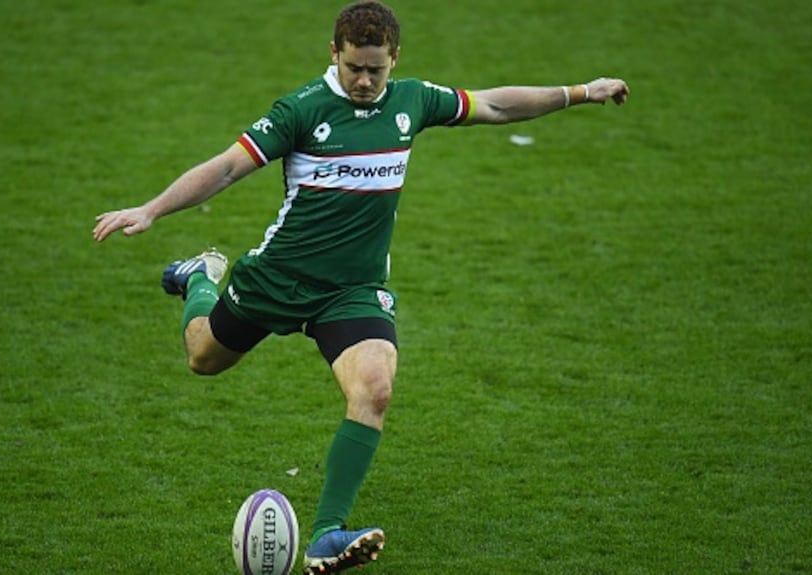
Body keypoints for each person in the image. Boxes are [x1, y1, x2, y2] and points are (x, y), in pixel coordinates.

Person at [94, 1, 629, 572]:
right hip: (278, 278)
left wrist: (580, 91)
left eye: (377, 68)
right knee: (203, 359)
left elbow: (495, 104)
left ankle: (327, 534)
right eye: (355, 68)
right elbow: (227, 167)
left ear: (395, 58)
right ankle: (202, 277)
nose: (366, 80)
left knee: (374, 388)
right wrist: (152, 209)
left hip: (352, 290)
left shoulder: (412, 99)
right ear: (335, 54)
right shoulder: (303, 109)